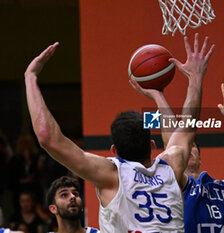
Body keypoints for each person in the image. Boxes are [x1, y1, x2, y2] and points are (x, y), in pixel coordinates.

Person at [24, 33, 214, 232]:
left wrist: (31, 77)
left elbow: (47, 137)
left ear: (114, 150)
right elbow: (187, 127)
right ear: (152, 146)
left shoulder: (110, 174)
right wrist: (194, 79)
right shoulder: (171, 168)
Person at [131, 74, 224, 233]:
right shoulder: (173, 186)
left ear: (200, 157)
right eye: (188, 146)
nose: (190, 149)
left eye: (193, 146)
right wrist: (159, 98)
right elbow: (177, 142)